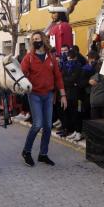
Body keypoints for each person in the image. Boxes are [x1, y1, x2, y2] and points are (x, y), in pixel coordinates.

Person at [20, 31, 67, 167]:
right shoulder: (28, 58)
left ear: (43, 40)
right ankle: (26, 151)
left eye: (38, 38)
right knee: (37, 124)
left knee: (47, 126)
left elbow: (58, 77)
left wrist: (63, 95)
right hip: (34, 94)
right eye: (34, 39)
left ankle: (43, 154)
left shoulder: (51, 57)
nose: (36, 41)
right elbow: (22, 75)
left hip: (48, 95)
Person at [60, 49, 82, 140]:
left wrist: (70, 81)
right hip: (68, 94)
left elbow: (74, 79)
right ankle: (75, 131)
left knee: (77, 113)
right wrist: (71, 82)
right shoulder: (66, 66)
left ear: (75, 57)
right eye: (69, 58)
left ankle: (79, 132)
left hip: (78, 95)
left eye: (71, 58)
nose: (70, 60)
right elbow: (63, 79)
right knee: (71, 114)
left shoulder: (78, 66)